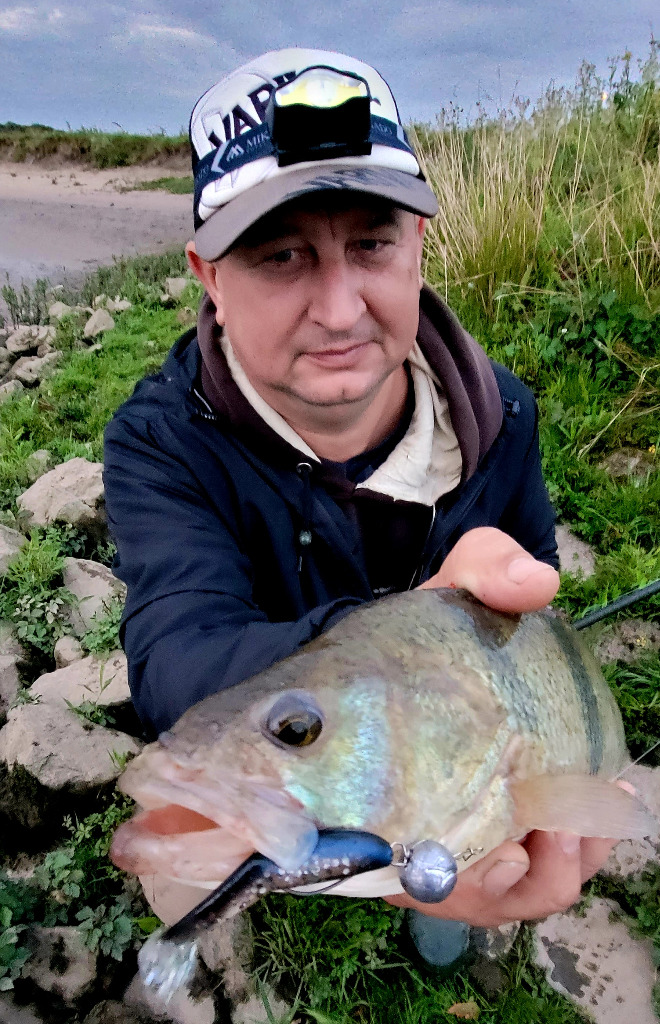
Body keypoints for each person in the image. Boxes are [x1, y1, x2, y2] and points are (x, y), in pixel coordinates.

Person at [102, 47, 621, 964]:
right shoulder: (160, 441)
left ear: (418, 243)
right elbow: (176, 656)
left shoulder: (503, 416)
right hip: (298, 756)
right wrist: (397, 645)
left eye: (372, 244)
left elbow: (530, 616)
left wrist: (507, 768)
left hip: (435, 763)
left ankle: (440, 872)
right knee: (177, 869)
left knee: (488, 857)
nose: (340, 310)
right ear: (208, 275)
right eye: (281, 256)